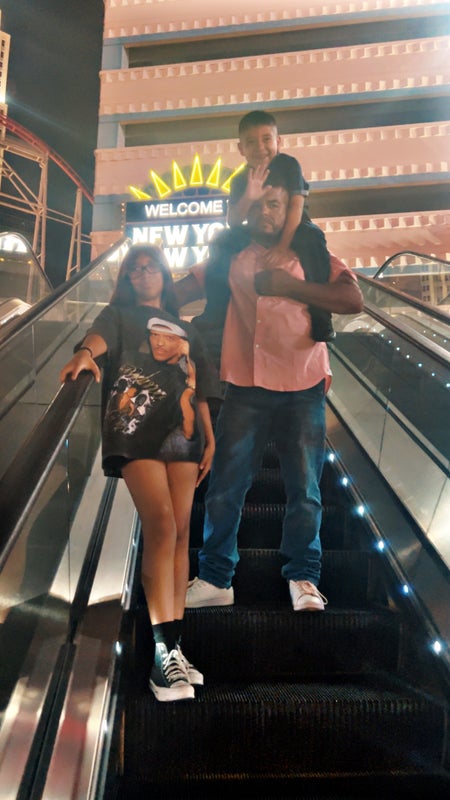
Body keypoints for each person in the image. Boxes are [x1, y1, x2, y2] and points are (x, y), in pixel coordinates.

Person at [184, 183, 363, 612]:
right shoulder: (230, 256)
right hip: (245, 385)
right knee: (225, 486)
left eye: (275, 204)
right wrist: (129, 304)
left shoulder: (312, 254)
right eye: (257, 204)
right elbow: (178, 291)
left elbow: (351, 298)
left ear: (290, 210)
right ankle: (216, 578)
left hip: (303, 384)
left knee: (305, 489)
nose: (265, 212)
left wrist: (289, 285)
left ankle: (303, 576)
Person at [60, 244, 219, 702]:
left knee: (182, 532)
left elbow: (200, 386)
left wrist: (210, 437)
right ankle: (161, 655)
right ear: (127, 277)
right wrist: (84, 354)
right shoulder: (118, 315)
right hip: (133, 428)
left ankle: (175, 648)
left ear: (165, 275)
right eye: (136, 268)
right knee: (162, 525)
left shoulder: (188, 329)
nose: (144, 273)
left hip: (183, 432)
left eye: (152, 267)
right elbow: (97, 337)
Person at [228, 109, 335, 342]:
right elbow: (233, 221)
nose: (260, 148)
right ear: (241, 148)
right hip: (257, 228)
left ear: (278, 141)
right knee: (223, 241)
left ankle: (321, 315)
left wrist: (282, 247)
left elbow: (296, 206)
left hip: (294, 225)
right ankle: (218, 310)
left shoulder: (289, 165)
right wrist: (248, 196)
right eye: (250, 142)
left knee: (313, 237)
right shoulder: (238, 179)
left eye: (266, 139)